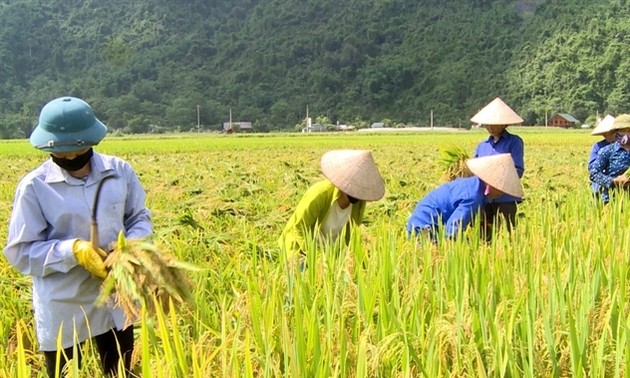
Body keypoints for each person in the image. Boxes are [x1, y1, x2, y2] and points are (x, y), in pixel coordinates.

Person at [3, 97, 152, 377]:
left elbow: (139, 217)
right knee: (65, 372)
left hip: (115, 297)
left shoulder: (119, 173)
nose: (71, 157)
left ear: (93, 139)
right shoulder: (34, 187)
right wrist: (72, 250)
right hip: (65, 301)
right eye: (62, 151)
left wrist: (130, 246)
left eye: (77, 149)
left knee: (121, 371)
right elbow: (21, 252)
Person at [278, 150, 385, 261]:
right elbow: (298, 229)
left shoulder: (359, 203)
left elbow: (351, 235)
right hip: (301, 248)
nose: (357, 192)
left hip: (330, 253)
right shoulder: (320, 194)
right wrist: (318, 258)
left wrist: (359, 261)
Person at [407, 153, 524, 241]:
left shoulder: (474, 185)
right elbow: (453, 227)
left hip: (427, 221)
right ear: (491, 183)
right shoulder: (473, 196)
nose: (501, 193)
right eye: (500, 188)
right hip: (424, 226)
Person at [471, 97, 524, 238]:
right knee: (485, 235)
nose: (490, 127)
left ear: (504, 124)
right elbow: (475, 168)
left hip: (505, 197)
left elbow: (517, 169)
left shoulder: (514, 142)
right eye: (488, 124)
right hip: (484, 198)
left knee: (507, 235)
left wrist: (498, 183)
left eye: (494, 124)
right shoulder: (482, 146)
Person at [589, 114, 630, 204]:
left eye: (629, 130)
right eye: (623, 130)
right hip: (612, 200)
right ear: (616, 132)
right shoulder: (607, 151)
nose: (627, 134)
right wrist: (614, 181)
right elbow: (593, 173)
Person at [588, 115, 616, 197]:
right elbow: (592, 167)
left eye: (610, 132)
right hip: (601, 186)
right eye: (605, 133)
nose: (606, 135)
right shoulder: (598, 146)